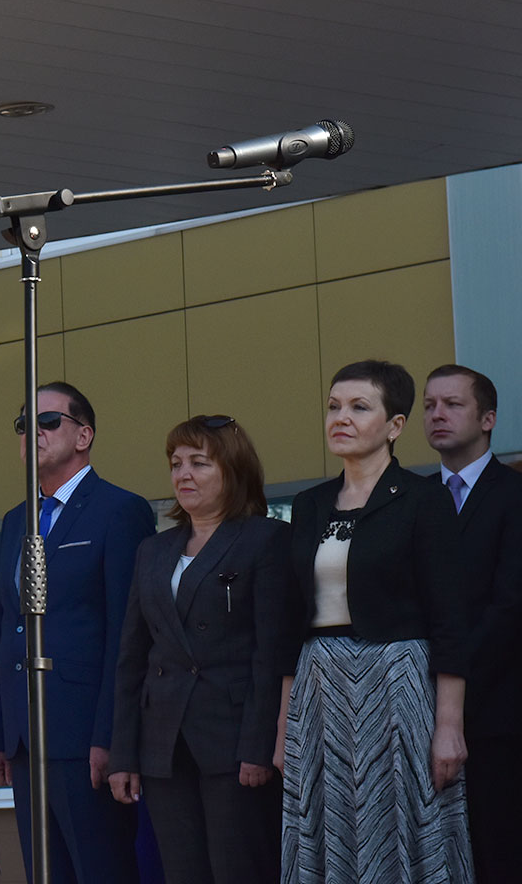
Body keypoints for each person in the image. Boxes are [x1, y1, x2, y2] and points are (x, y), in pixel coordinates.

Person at [280, 360, 471, 881]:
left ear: (394, 425)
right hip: (320, 688)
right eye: (333, 406)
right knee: (326, 830)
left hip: (397, 684)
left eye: (359, 407)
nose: (340, 417)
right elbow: (289, 623)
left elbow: (450, 618)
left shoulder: (423, 498)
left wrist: (449, 725)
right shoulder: (309, 504)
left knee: (402, 827)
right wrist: (283, 727)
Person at [0, 382, 154, 884]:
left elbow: (127, 633)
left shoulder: (119, 509)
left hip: (84, 736)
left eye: (48, 421)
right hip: (24, 737)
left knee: (100, 871)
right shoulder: (16, 519)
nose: (32, 432)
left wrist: (111, 736)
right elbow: (4, 629)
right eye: (23, 425)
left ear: (84, 436)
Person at [108, 416, 289, 884]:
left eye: (199, 463)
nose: (183, 474)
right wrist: (123, 754)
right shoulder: (152, 550)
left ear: (232, 469)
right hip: (163, 744)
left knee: (240, 870)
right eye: (176, 464)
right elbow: (132, 658)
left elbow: (271, 655)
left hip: (233, 741)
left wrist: (259, 745)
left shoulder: (264, 539)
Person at [424, 363, 522, 884]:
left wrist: (450, 676)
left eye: (452, 404)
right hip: (420, 710)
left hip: (498, 709)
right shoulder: (413, 500)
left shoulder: (514, 495)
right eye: (429, 405)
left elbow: (510, 606)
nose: (437, 414)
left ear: (488, 419)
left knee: (497, 848)